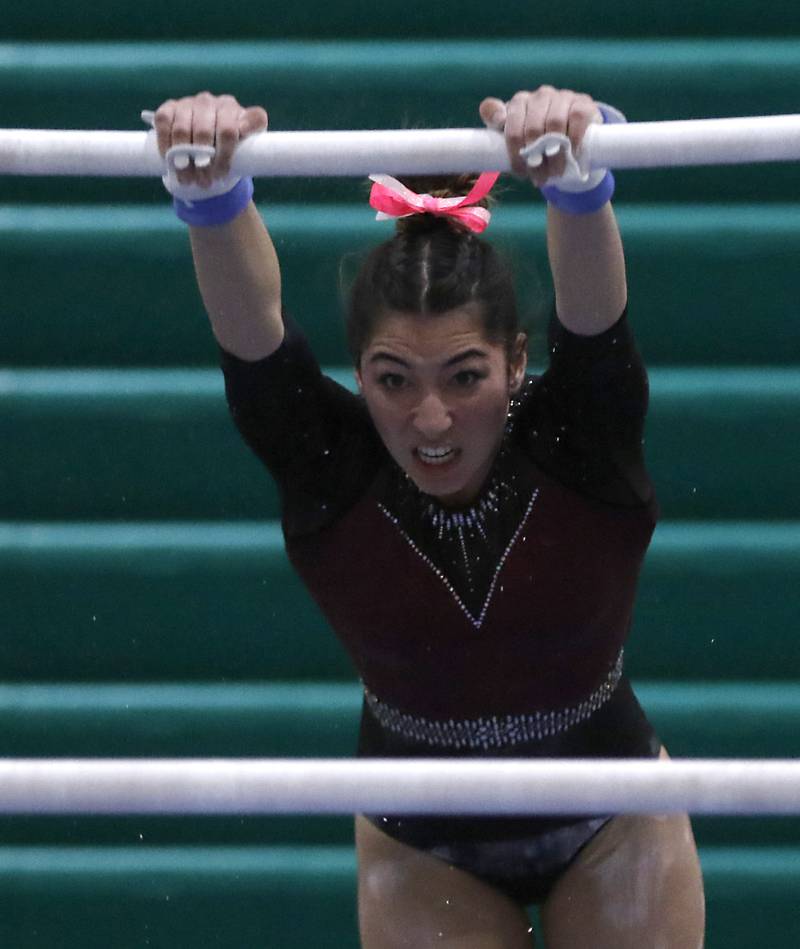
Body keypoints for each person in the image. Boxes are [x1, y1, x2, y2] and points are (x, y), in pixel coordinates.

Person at [152, 86, 706, 948]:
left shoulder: (578, 440)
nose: (432, 420)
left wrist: (578, 183)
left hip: (614, 821)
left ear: (517, 362)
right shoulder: (332, 463)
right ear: (358, 374)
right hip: (422, 846)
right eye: (394, 380)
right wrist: (210, 192)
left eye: (464, 376)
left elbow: (596, 319)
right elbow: (252, 332)